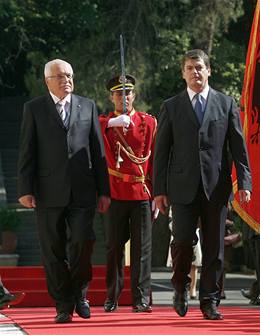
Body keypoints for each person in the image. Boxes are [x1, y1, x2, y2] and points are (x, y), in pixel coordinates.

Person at [153, 49, 252, 320]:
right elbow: (161, 152)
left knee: (214, 247)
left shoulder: (225, 103)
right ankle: (181, 287)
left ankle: (210, 300)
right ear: (183, 73)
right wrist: (159, 190)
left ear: (209, 70)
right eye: (189, 68)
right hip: (182, 187)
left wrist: (244, 182)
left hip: (216, 186)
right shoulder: (171, 106)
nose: (195, 72)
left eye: (199, 67)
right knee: (183, 241)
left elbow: (238, 148)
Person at [17, 59, 110, 323]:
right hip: (48, 191)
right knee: (53, 249)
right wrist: (25, 188)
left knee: (83, 243)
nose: (66, 79)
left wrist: (104, 191)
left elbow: (98, 151)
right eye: (60, 76)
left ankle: (80, 293)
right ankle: (62, 303)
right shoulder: (34, 109)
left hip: (83, 190)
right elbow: (27, 151)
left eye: (69, 75)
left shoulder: (87, 106)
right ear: (48, 81)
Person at [99, 75, 157, 313]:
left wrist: (157, 194)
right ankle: (112, 296)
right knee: (113, 247)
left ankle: (141, 298)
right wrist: (113, 124)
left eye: (128, 93)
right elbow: (90, 129)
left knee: (142, 249)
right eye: (119, 94)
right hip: (115, 192)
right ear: (112, 97)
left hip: (141, 192)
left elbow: (154, 159)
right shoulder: (104, 122)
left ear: (134, 95)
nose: (124, 98)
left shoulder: (148, 122)